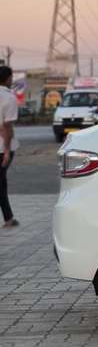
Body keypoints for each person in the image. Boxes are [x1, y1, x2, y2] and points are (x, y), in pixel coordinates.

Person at [0, 66, 19, 228]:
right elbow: (7, 126)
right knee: (0, 182)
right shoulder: (9, 97)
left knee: (2, 181)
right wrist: (6, 151)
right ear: (8, 79)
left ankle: (8, 218)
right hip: (2, 147)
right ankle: (8, 218)